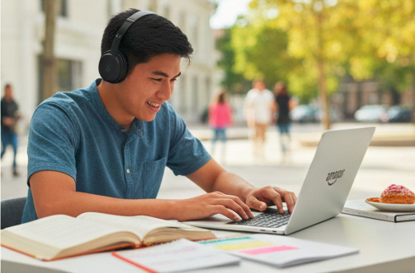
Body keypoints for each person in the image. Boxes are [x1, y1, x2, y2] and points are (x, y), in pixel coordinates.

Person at [21, 9, 297, 224]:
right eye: (157, 78)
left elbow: (214, 178)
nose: (166, 94)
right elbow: (54, 206)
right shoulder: (58, 116)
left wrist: (248, 192)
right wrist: (175, 209)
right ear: (113, 68)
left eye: (174, 80)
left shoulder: (163, 119)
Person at [244, 79, 274, 159]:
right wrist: (249, 118)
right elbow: (248, 107)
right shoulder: (251, 94)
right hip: (255, 119)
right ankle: (255, 152)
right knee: (255, 137)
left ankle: (262, 152)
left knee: (263, 137)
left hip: (264, 118)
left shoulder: (268, 94)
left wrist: (271, 117)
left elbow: (271, 107)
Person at [1, 84, 21, 177]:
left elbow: (16, 114)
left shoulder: (14, 102)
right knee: (4, 149)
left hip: (13, 130)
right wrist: (4, 120)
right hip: (5, 130)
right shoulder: (2, 103)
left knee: (15, 149)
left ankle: (14, 169)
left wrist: (17, 117)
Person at [273, 82, 296, 159]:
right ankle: (283, 152)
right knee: (281, 136)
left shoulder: (288, 97)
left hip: (286, 117)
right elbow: (274, 108)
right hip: (280, 118)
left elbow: (291, 106)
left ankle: (288, 150)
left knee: (287, 135)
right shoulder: (276, 97)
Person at [208, 90, 233, 162]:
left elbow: (211, 115)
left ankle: (211, 155)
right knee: (223, 141)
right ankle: (222, 156)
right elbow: (228, 115)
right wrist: (230, 122)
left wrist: (211, 122)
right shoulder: (226, 105)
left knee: (214, 140)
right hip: (223, 125)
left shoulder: (214, 105)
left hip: (215, 124)